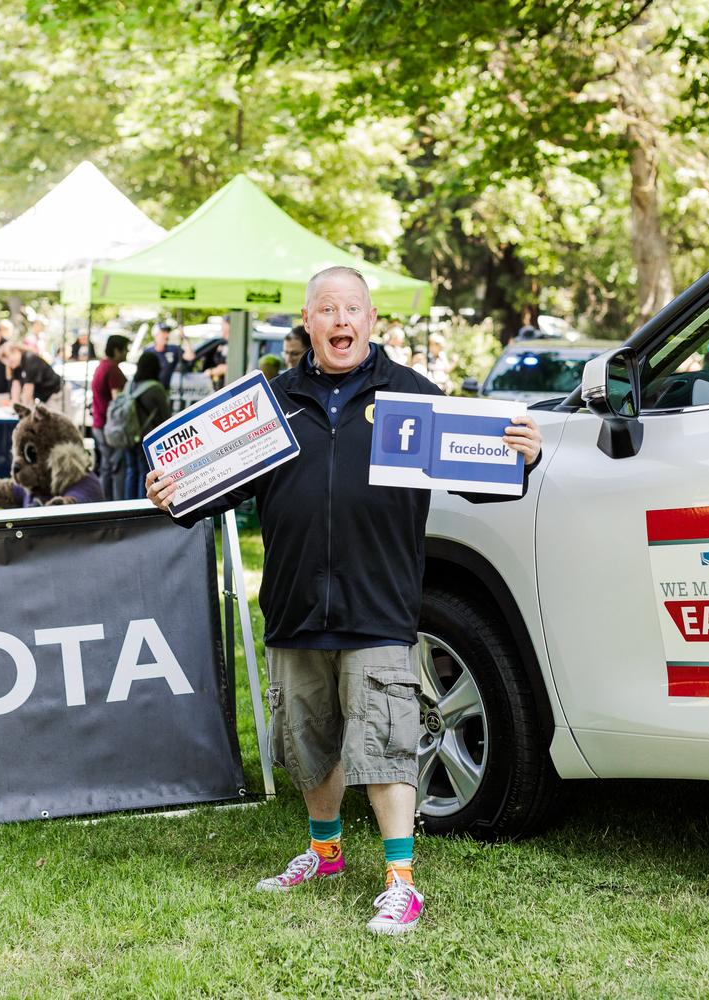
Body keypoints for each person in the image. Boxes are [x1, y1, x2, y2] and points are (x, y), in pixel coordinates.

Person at [145, 266, 543, 936]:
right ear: (308, 321)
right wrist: (171, 492)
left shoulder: (413, 399)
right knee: (308, 741)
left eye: (352, 309)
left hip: (378, 604)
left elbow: (489, 476)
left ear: (371, 320)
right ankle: (325, 853)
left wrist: (521, 458)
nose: (340, 321)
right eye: (327, 309)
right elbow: (203, 492)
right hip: (296, 604)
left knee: (386, 740)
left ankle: (400, 882)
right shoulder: (271, 407)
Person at [118, 350, 172, 500]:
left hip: (128, 434)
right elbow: (165, 417)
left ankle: (129, 503)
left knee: (131, 471)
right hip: (147, 437)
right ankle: (142, 504)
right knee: (145, 473)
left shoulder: (129, 385)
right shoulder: (156, 388)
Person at [91, 334, 129, 497]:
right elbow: (118, 401)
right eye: (125, 349)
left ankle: (103, 501)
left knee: (106, 468)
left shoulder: (102, 366)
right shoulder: (113, 370)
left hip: (99, 424)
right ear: (116, 350)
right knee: (117, 468)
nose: (127, 353)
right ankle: (116, 504)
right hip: (111, 428)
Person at [2, 342, 63, 409]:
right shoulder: (16, 366)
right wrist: (15, 404)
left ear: (16, 351)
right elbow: (15, 386)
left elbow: (28, 390)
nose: (8, 364)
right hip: (45, 396)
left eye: (9, 359)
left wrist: (23, 409)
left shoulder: (29, 359)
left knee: (55, 418)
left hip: (56, 392)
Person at [149, 320, 185, 385]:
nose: (166, 335)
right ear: (155, 334)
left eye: (167, 332)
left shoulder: (174, 349)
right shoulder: (148, 352)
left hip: (166, 390)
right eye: (163, 332)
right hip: (152, 390)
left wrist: (184, 337)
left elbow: (190, 357)